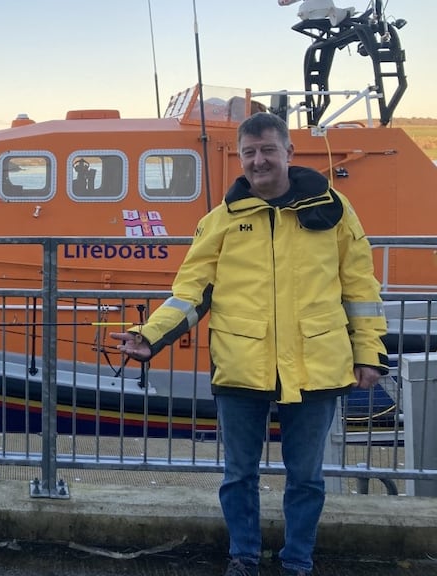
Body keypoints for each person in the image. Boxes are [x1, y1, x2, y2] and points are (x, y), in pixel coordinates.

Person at [111, 112, 387, 576]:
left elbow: (360, 288)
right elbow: (191, 290)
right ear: (241, 158)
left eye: (267, 150)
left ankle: (297, 562)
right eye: (249, 153)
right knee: (239, 475)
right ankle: (243, 558)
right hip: (243, 365)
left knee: (307, 478)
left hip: (315, 365)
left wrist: (369, 354)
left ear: (289, 153)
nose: (258, 161)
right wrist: (149, 337)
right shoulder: (219, 222)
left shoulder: (335, 212)